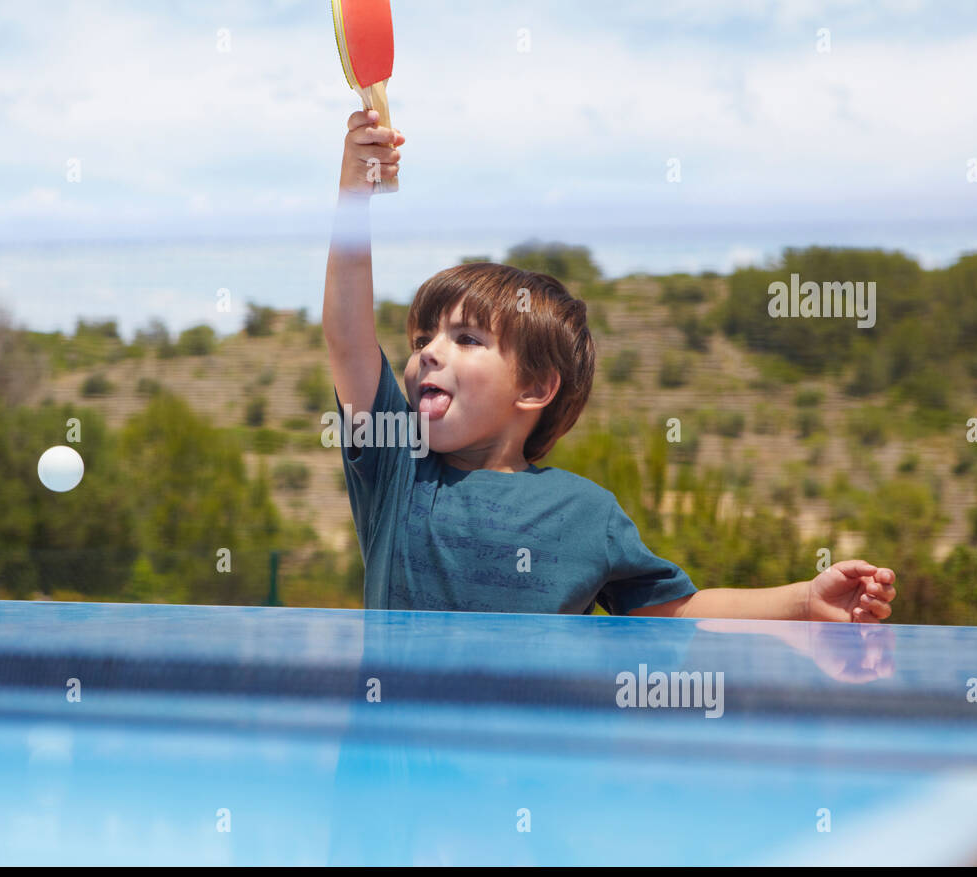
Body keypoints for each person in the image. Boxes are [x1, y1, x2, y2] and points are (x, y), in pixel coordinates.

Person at [322, 109, 898, 621]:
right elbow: (349, 339)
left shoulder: (586, 513)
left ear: (535, 387)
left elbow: (675, 610)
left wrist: (801, 602)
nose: (428, 352)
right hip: (386, 743)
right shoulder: (398, 466)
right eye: (423, 337)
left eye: (467, 338)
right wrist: (356, 191)